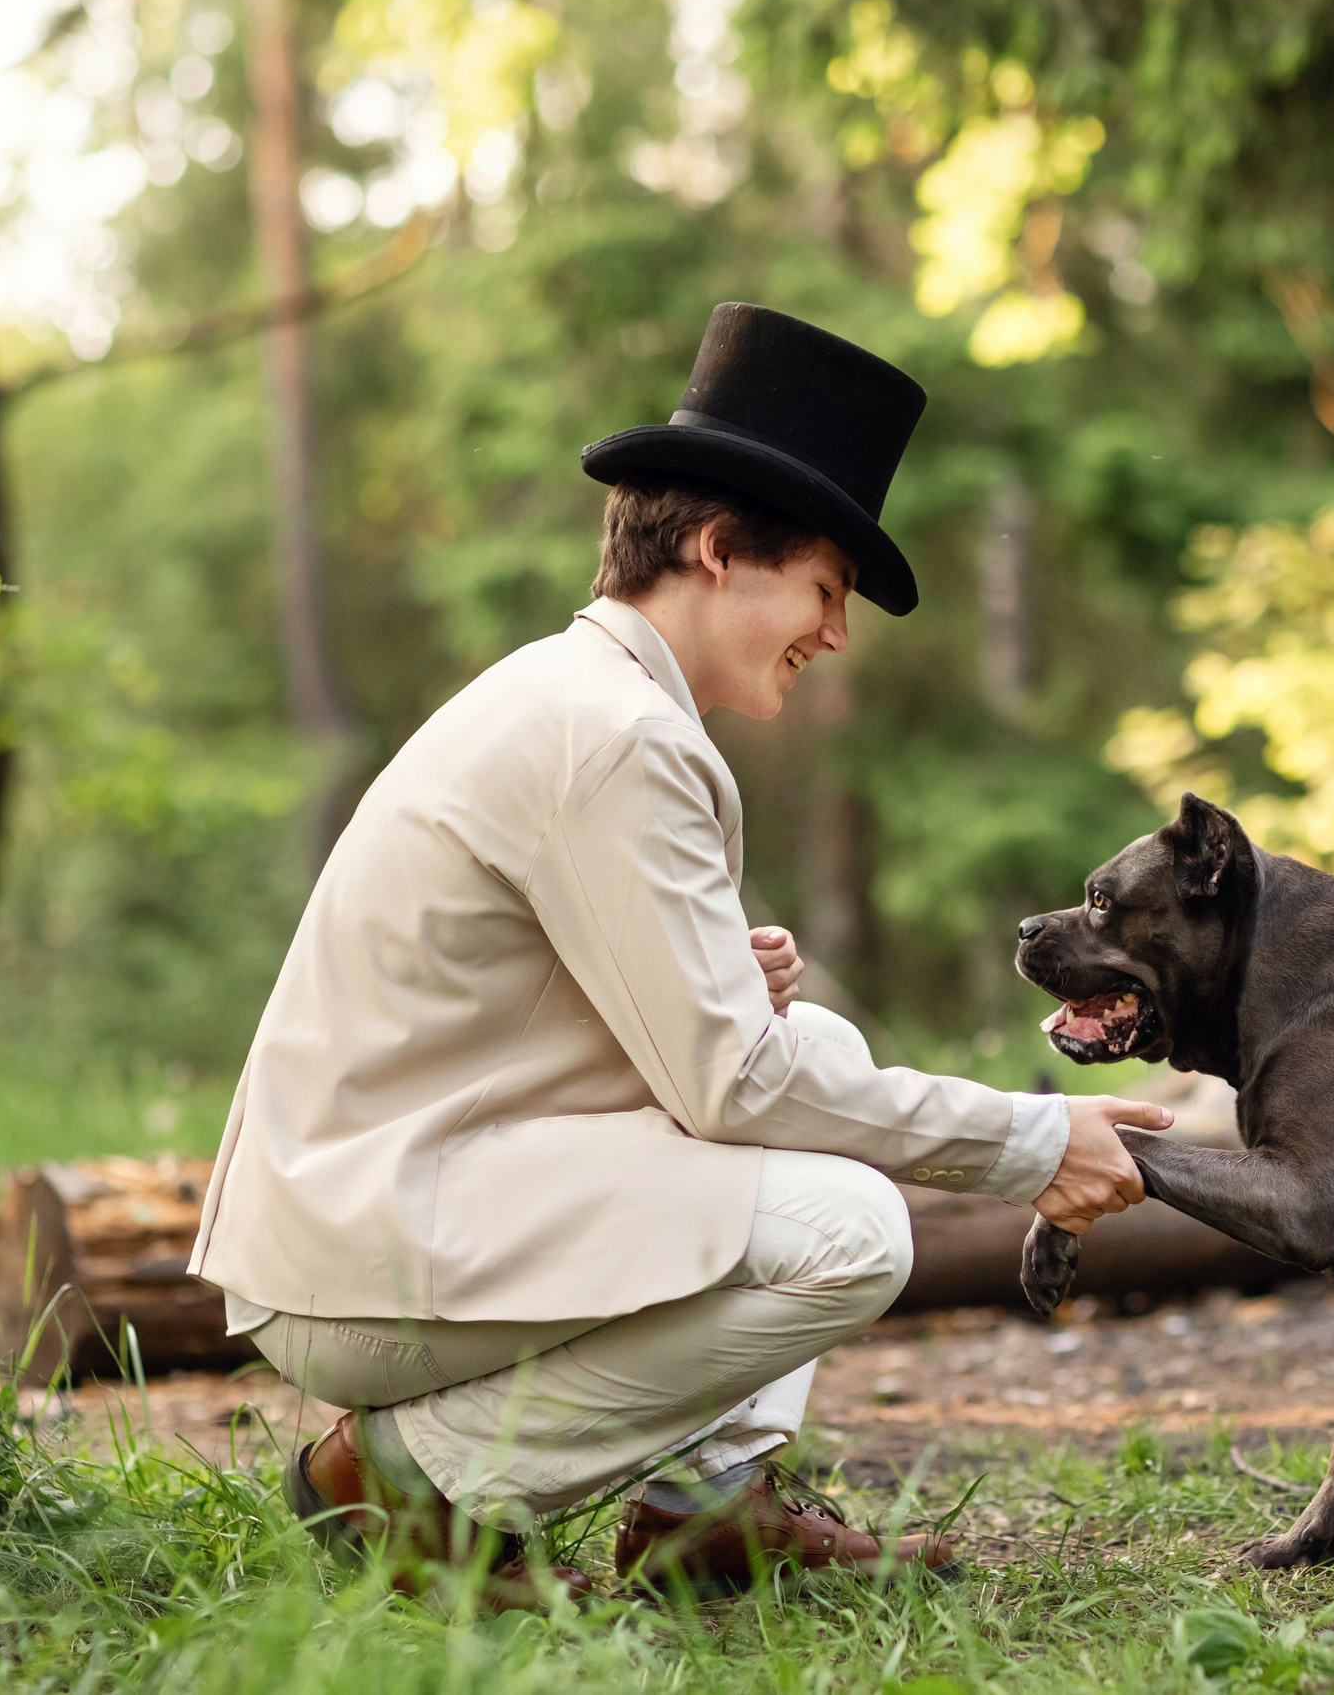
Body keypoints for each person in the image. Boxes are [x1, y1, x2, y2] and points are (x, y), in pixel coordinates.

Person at [188, 303, 1172, 1603]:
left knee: (812, 1041)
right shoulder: (617, 736)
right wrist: (1033, 1143)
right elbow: (730, 1091)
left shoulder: (589, 699)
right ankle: (406, 1484)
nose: (833, 633)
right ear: (718, 550)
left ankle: (707, 1510)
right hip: (361, 1247)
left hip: (389, 1197)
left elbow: (570, 1015)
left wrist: (704, 992)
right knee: (855, 1231)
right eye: (825, 589)